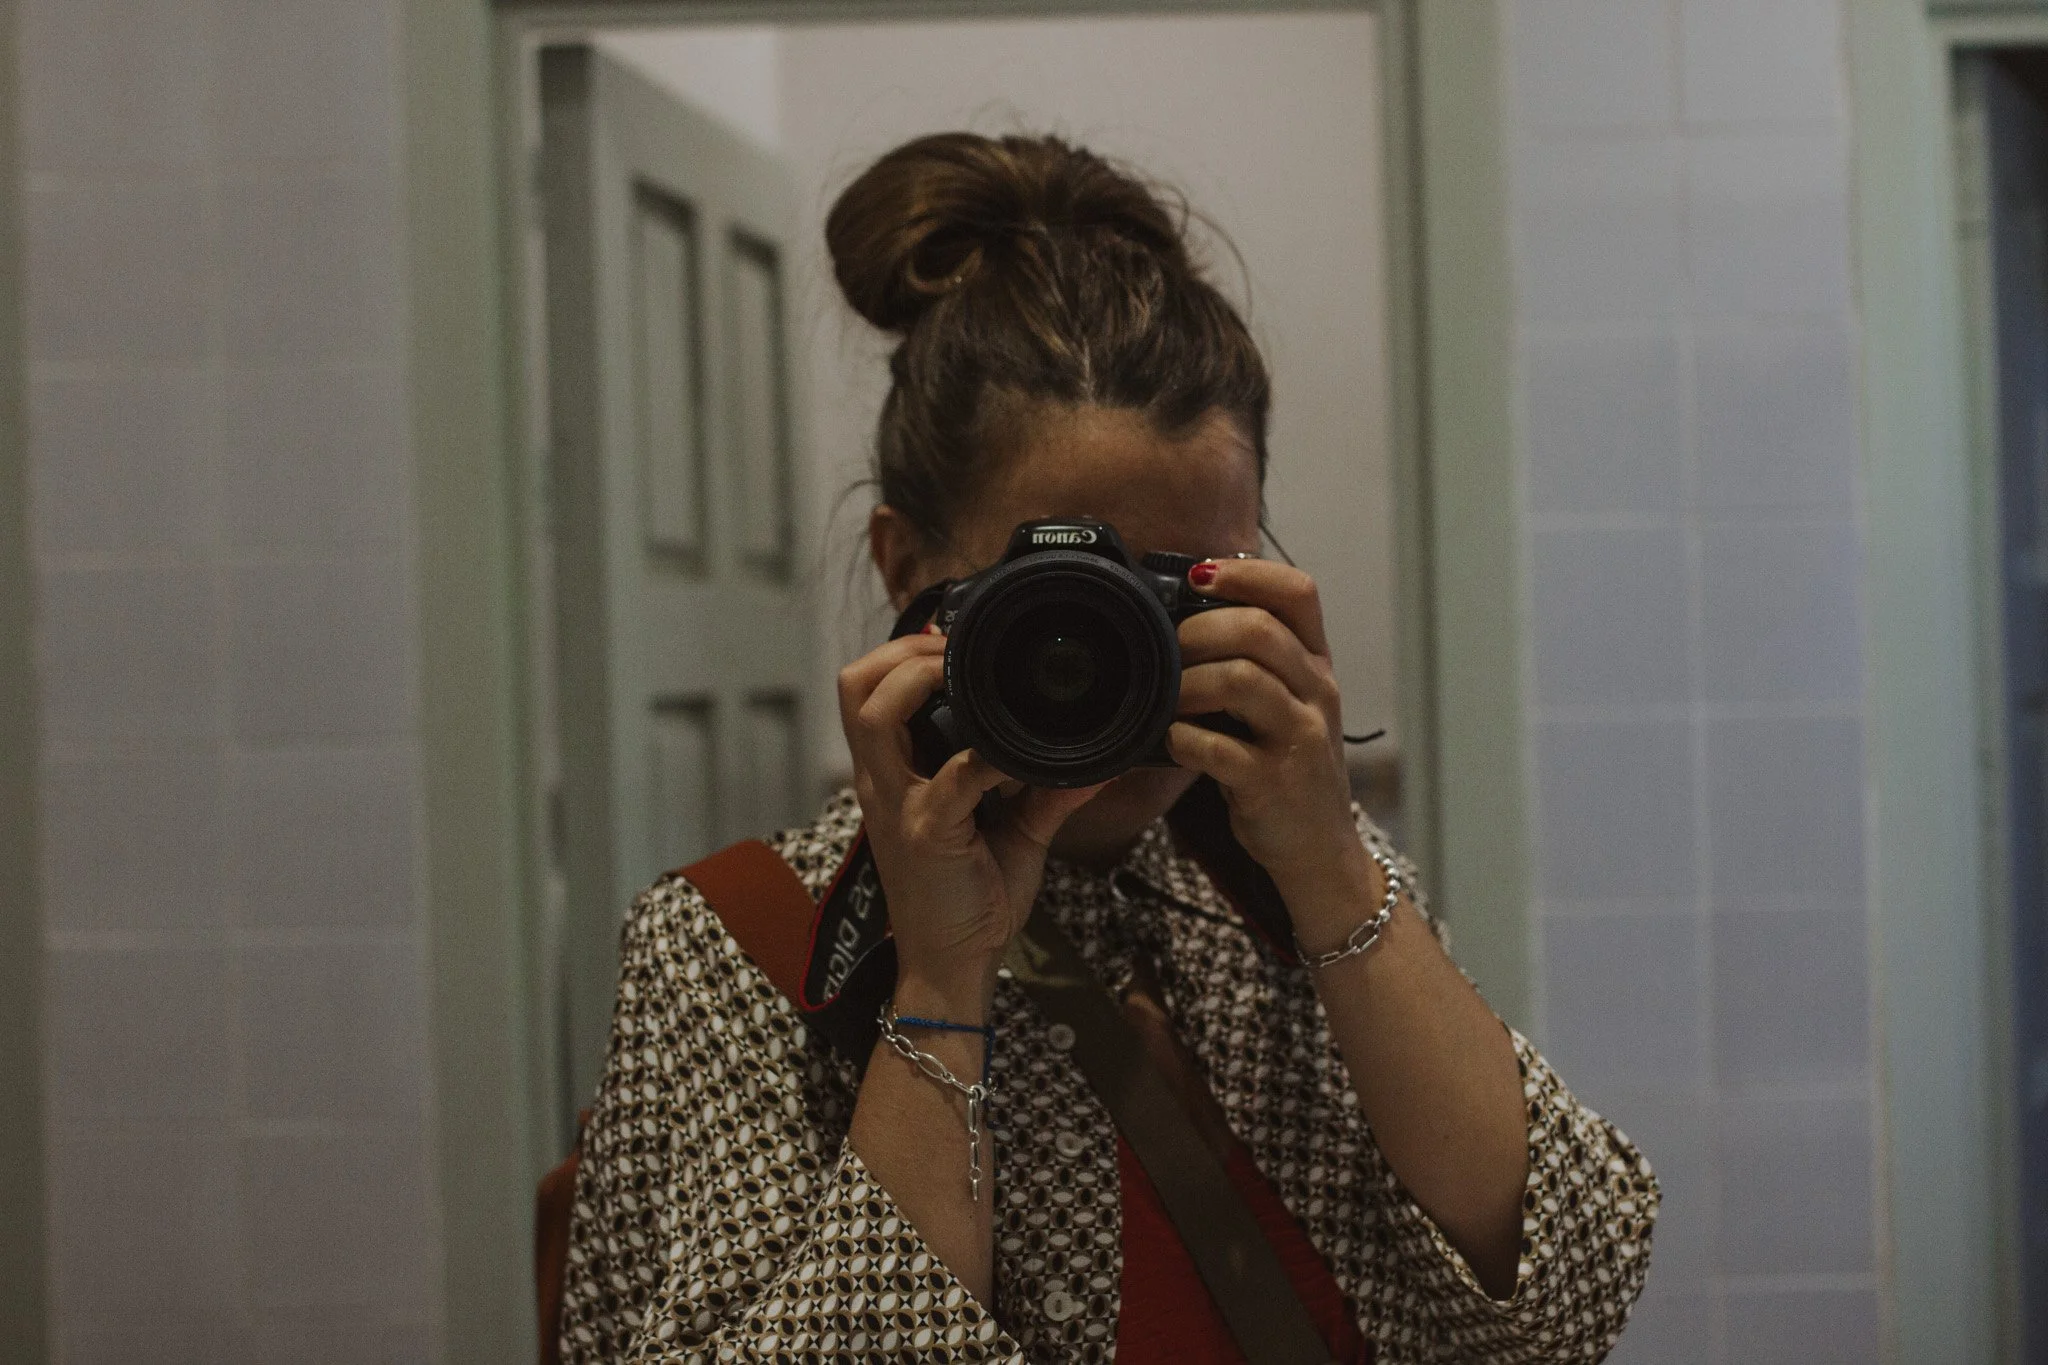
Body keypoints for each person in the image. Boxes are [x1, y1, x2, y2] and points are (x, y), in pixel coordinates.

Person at [556, 131, 1657, 1364]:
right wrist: (936, 979)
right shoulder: (741, 950)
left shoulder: (1284, 900)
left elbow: (1563, 1305)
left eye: (1167, 592)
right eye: (1057, 599)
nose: (1110, 656)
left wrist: (1331, 863)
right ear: (906, 569)